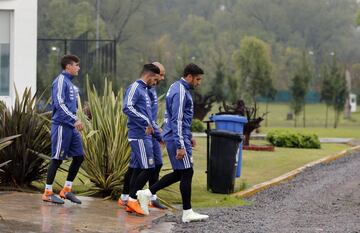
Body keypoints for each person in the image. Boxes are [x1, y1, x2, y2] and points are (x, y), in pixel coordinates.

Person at [137, 63, 209, 223]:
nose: (198, 83)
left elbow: (181, 119)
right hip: (177, 138)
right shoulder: (181, 91)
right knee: (187, 172)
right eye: (197, 79)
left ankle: (147, 193)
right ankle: (187, 212)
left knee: (180, 173)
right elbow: (177, 120)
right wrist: (181, 145)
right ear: (189, 76)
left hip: (177, 136)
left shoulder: (175, 87)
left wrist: (188, 136)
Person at [118, 62, 167, 210]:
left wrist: (159, 135)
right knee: (147, 168)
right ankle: (131, 199)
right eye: (159, 76)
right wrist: (146, 122)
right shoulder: (135, 87)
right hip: (139, 134)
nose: (160, 80)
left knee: (144, 166)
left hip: (147, 134)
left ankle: (130, 199)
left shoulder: (147, 89)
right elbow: (127, 107)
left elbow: (149, 117)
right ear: (151, 74)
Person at [42, 55, 84, 204]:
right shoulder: (60, 81)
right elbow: (59, 104)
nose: (78, 68)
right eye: (76, 65)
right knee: (57, 159)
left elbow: (71, 105)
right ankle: (47, 192)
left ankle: (66, 190)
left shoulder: (70, 83)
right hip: (61, 126)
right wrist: (74, 119)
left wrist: (77, 118)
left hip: (70, 127)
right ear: (68, 66)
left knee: (79, 157)